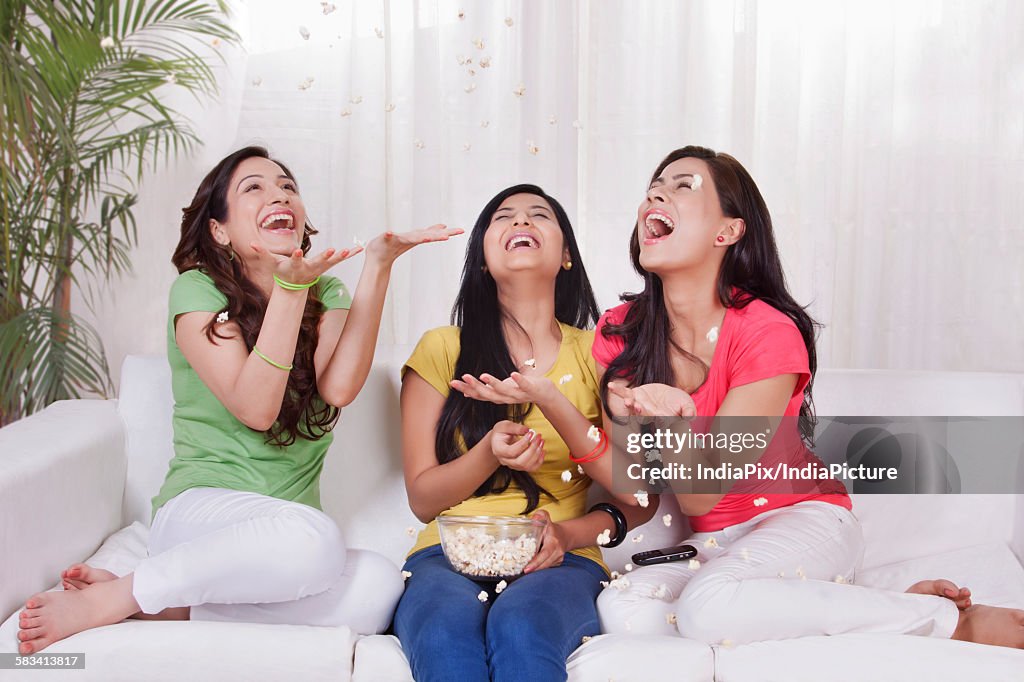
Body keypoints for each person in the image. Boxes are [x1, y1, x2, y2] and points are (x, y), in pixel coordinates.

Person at [15, 146, 462, 655]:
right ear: (219, 230)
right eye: (254, 188)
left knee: (379, 586)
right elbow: (256, 408)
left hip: (281, 546)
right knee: (316, 540)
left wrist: (379, 266)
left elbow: (338, 388)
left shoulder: (327, 293)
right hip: (200, 519)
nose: (280, 194)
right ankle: (117, 595)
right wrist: (289, 295)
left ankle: (165, 605)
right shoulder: (197, 291)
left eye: (287, 186)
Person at [591, 145, 1024, 648]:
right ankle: (853, 601)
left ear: (727, 231)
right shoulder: (622, 332)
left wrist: (670, 421)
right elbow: (636, 489)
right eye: (653, 186)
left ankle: (944, 619)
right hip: (712, 540)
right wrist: (610, 421)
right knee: (622, 609)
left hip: (801, 518)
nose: (655, 194)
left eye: (683, 185)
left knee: (707, 609)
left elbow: (700, 491)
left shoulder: (766, 330)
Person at [394, 184, 654, 682]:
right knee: (445, 633)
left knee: (521, 627)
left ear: (567, 257)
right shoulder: (442, 348)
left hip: (561, 560)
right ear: (482, 260)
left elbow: (641, 496)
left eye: (540, 215)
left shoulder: (601, 352)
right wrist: (488, 453)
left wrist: (565, 535)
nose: (521, 222)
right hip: (447, 554)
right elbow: (423, 500)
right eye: (503, 218)